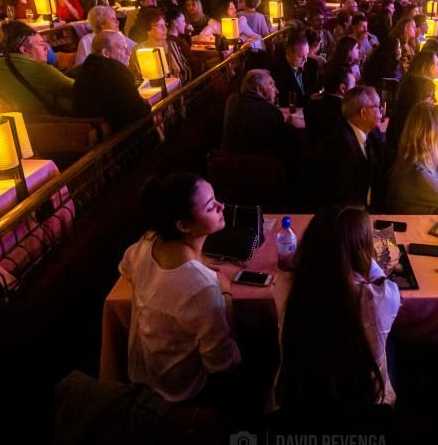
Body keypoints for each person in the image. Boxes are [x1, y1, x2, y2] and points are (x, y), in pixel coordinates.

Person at [119, 174, 240, 403]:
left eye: (215, 198)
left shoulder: (145, 245)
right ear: (184, 226)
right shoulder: (202, 286)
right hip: (181, 395)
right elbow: (222, 364)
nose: (220, 206)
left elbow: (126, 268)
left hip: (141, 377)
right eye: (209, 206)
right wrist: (226, 294)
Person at [274, 205, 400, 409]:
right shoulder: (380, 296)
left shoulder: (285, 284)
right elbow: (379, 280)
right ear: (362, 250)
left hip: (297, 401)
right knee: (391, 345)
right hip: (365, 404)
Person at [317, 86, 388, 208]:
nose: (381, 110)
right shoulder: (339, 147)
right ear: (363, 112)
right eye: (377, 106)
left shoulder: (372, 133)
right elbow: (344, 196)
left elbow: (383, 157)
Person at [0, 21, 75, 116]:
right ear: (24, 50)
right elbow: (77, 90)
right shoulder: (40, 70)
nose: (47, 48)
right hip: (44, 122)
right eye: (41, 44)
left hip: (8, 122)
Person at [73, 31, 150, 131]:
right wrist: (147, 104)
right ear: (105, 53)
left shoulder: (84, 71)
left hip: (94, 135)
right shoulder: (116, 72)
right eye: (122, 48)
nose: (129, 53)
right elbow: (138, 111)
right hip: (120, 138)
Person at [220, 69, 297, 158]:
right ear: (258, 88)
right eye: (271, 84)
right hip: (257, 167)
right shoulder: (271, 110)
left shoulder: (232, 100)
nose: (277, 90)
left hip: (226, 163)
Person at [303, 66, 354, 145]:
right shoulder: (347, 111)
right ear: (343, 88)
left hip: (314, 155)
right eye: (353, 84)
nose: (355, 89)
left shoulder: (310, 106)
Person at [268, 28, 319, 107]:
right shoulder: (276, 68)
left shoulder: (312, 64)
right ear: (288, 52)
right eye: (300, 56)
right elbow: (282, 98)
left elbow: (317, 88)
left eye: (307, 54)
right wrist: (308, 99)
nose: (305, 60)